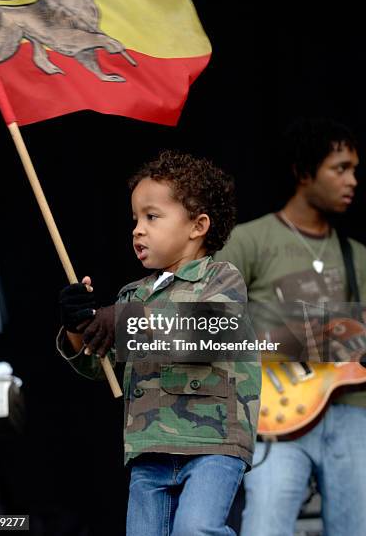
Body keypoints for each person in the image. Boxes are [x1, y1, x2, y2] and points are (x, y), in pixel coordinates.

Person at [56, 150, 261, 536]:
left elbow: (211, 331)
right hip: (149, 447)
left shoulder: (221, 277)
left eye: (152, 217)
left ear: (198, 226)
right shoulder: (132, 294)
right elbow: (95, 363)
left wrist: (123, 317)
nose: (137, 229)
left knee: (195, 529)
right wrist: (78, 325)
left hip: (213, 443)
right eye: (135, 219)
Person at [216, 118, 366, 536]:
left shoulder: (359, 257)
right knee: (265, 527)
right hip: (274, 411)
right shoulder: (250, 240)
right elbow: (207, 319)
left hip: (353, 411)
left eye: (354, 169)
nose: (352, 180)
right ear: (304, 173)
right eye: (340, 168)